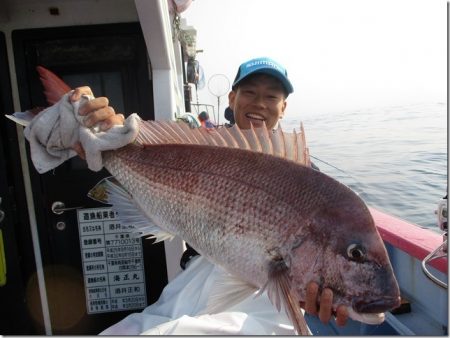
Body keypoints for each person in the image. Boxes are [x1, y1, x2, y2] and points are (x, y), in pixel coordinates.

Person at [69, 57, 349, 334]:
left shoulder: (304, 174)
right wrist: (102, 123)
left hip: (267, 284)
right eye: (249, 92)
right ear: (231, 98)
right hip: (203, 267)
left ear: (283, 107)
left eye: (271, 96)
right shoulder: (202, 144)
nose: (260, 103)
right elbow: (141, 143)